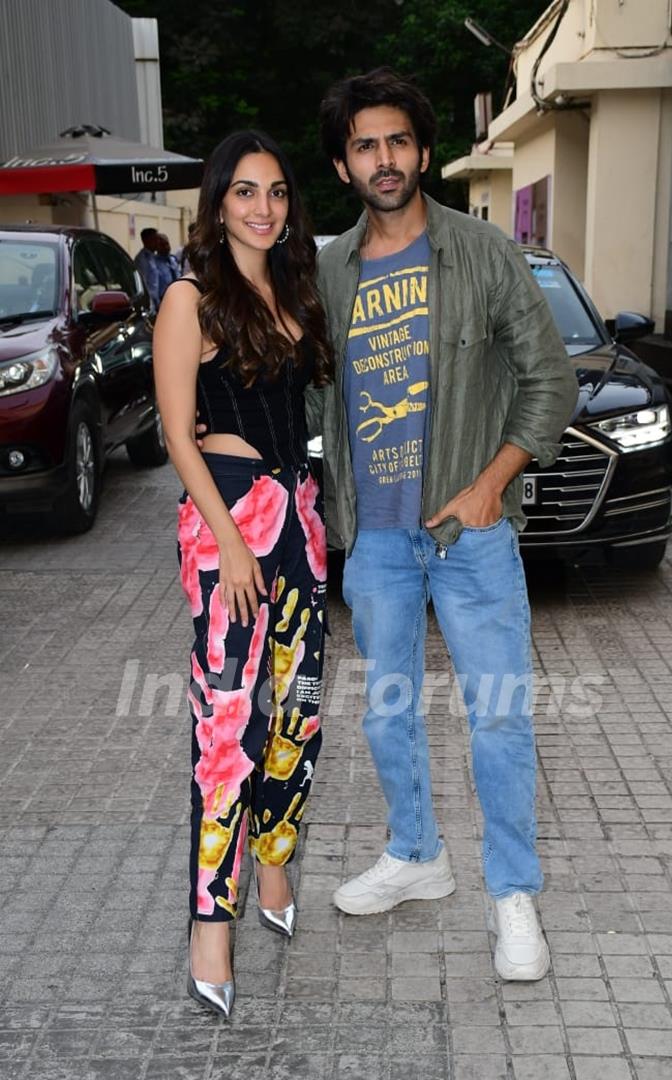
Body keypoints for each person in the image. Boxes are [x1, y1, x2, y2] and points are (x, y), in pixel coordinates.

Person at [311, 68, 578, 981]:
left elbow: (552, 380)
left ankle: (513, 897)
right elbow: (305, 385)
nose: (383, 160)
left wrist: (493, 481)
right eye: (363, 145)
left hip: (470, 533)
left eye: (396, 141)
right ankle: (417, 856)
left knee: (497, 716)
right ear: (344, 165)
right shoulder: (329, 270)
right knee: (388, 714)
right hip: (377, 535)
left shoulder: (483, 253)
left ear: (423, 152)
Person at [153, 129, 332, 1019]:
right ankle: (207, 923)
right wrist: (226, 539)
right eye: (245, 192)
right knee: (226, 723)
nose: (264, 207)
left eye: (276, 192)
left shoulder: (295, 289)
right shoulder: (191, 298)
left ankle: (274, 862)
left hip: (299, 519)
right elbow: (176, 434)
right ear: (218, 201)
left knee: (297, 711)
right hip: (227, 519)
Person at [134, 226, 160, 310]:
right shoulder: (142, 259)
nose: (157, 242)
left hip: (157, 301)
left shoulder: (153, 257)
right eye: (154, 239)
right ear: (145, 241)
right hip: (150, 305)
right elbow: (143, 283)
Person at [155, 232, 180, 301]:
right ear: (156, 247)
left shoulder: (173, 260)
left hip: (178, 296)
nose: (166, 247)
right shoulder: (154, 264)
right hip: (164, 299)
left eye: (167, 244)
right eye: (162, 245)